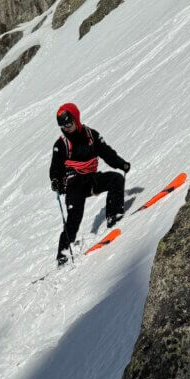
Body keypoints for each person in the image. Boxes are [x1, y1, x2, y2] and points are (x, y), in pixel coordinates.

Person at [49, 103, 131, 264]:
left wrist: (121, 164)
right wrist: (56, 181)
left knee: (116, 179)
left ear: (76, 118)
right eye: (63, 126)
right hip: (73, 184)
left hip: (91, 179)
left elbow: (106, 152)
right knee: (74, 215)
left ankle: (113, 216)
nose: (67, 128)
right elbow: (55, 168)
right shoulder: (61, 145)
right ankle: (63, 254)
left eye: (69, 123)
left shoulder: (91, 135)